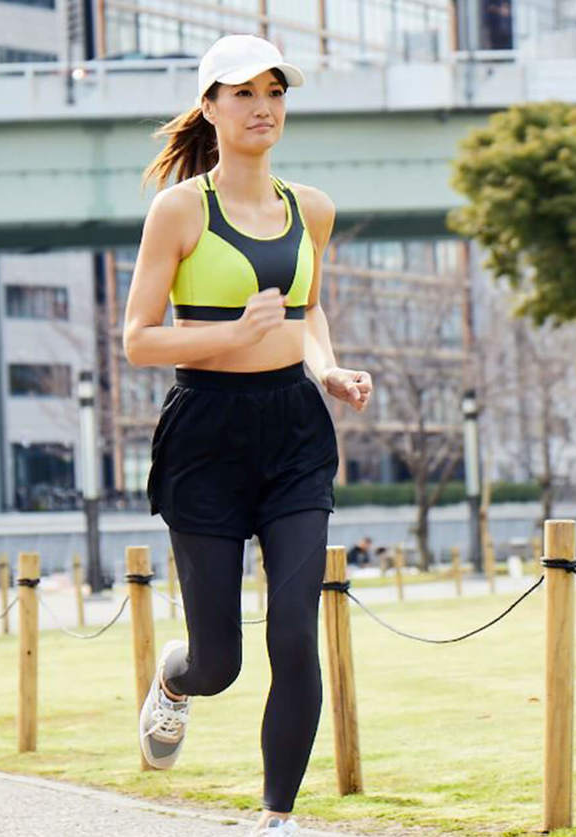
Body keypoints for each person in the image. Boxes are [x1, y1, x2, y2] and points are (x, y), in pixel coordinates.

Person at [122, 34, 373, 837]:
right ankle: (176, 677)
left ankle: (276, 819)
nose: (263, 107)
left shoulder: (313, 208)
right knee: (221, 662)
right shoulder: (179, 210)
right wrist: (231, 334)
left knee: (296, 630)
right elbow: (138, 338)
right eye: (243, 94)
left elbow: (309, 310)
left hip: (295, 429)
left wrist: (327, 367)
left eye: (275, 91)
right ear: (210, 108)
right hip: (205, 436)